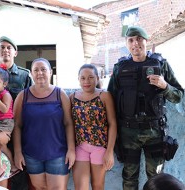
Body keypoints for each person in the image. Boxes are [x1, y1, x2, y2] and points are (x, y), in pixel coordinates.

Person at [107, 26, 184, 190]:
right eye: (131, 40)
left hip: (155, 132)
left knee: (157, 179)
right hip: (128, 134)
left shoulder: (161, 64)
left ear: (146, 41)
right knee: (129, 178)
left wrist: (165, 86)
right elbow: (109, 99)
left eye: (139, 39)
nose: (135, 43)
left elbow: (178, 96)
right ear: (127, 44)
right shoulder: (119, 68)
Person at [13, 58, 75, 189]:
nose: (40, 73)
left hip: (58, 153)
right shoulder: (23, 96)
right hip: (32, 154)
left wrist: (71, 149)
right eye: (36, 70)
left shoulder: (60, 94)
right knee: (40, 188)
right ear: (31, 73)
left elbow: (68, 123)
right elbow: (17, 125)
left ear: (50, 72)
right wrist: (17, 152)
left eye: (43, 69)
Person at [0, 36, 33, 190]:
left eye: (9, 47)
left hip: (18, 131)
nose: (5, 50)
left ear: (15, 52)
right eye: (2, 47)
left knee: (19, 174)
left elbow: (29, 104)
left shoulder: (24, 76)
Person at [70, 64, 117, 190]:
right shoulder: (72, 97)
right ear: (78, 79)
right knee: (81, 187)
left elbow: (112, 124)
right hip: (80, 147)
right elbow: (68, 124)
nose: (87, 81)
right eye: (83, 78)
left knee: (97, 186)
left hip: (99, 148)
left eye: (91, 77)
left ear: (97, 78)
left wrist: (110, 151)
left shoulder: (104, 96)